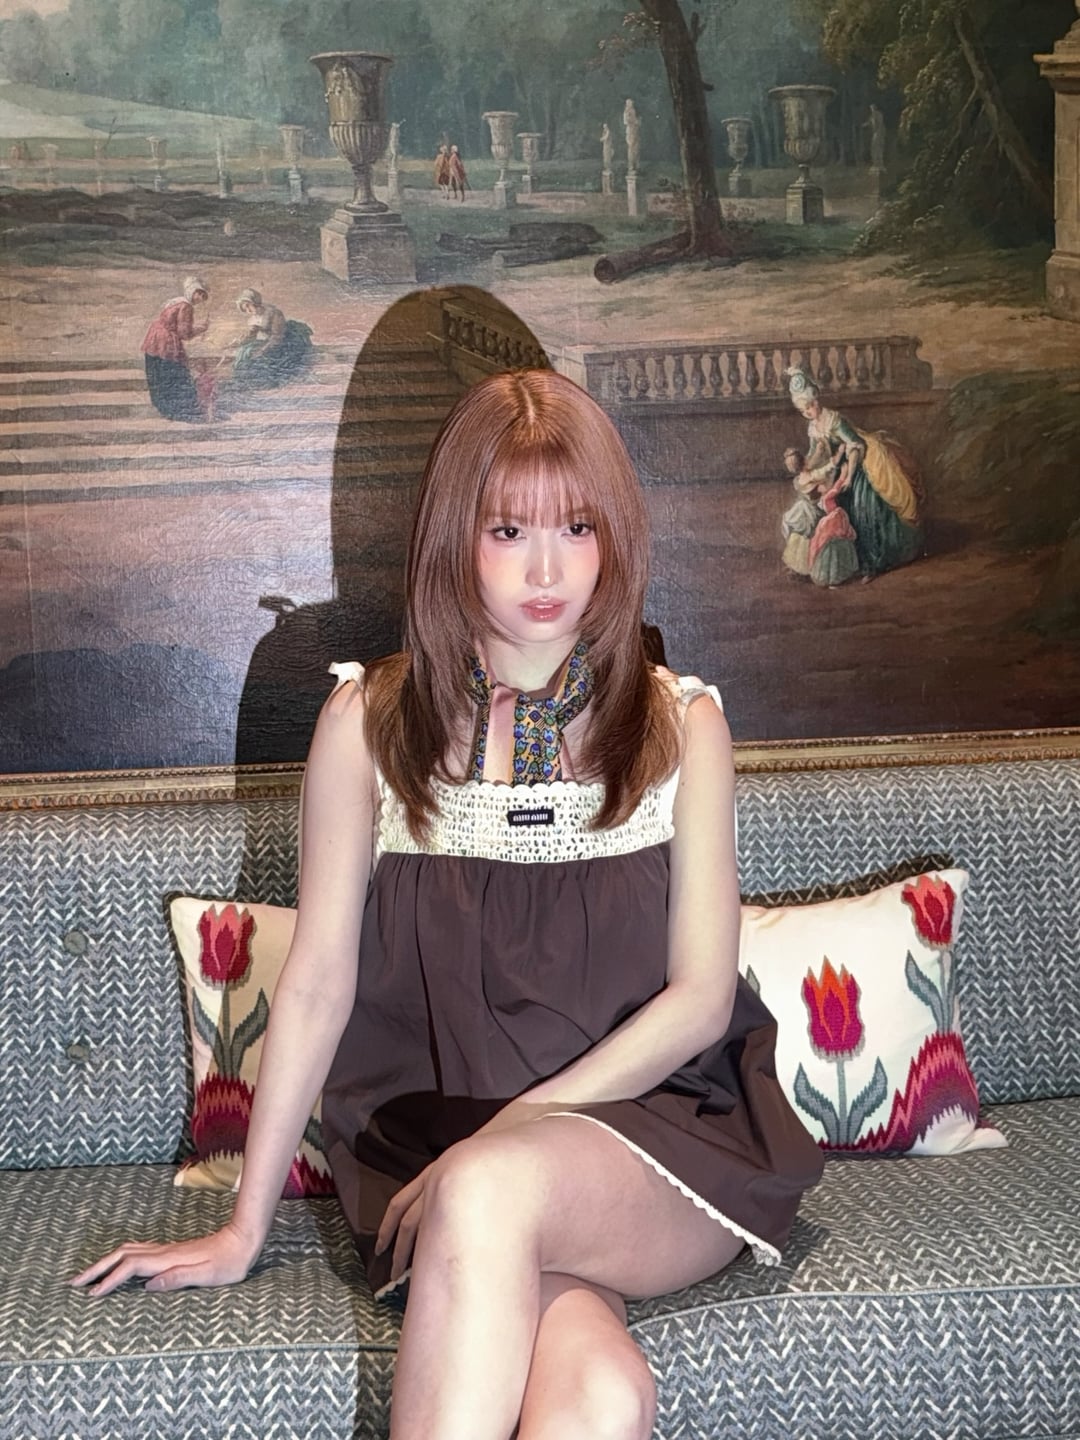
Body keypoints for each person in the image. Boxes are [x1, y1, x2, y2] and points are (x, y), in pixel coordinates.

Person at [71, 369, 824, 1439]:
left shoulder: (681, 726)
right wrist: (244, 1226)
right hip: (431, 1151)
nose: (547, 569)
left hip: (659, 1137)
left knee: (487, 1190)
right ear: (452, 538)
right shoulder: (366, 723)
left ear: (614, 535)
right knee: (599, 1398)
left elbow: (702, 1000)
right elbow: (318, 983)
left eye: (576, 527)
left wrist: (505, 1140)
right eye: (508, 530)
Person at [786, 367, 923, 581]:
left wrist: (849, 476)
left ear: (816, 399)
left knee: (861, 507)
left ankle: (872, 564)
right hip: (837, 464)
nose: (809, 412)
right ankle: (814, 562)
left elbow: (856, 445)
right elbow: (814, 453)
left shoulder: (834, 420)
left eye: (810, 406)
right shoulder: (813, 426)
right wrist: (805, 468)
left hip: (858, 461)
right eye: (804, 410)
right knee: (816, 505)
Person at [781, 445, 859, 587]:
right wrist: (840, 453)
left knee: (798, 534)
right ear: (805, 461)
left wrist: (818, 451)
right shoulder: (813, 475)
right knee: (811, 535)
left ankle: (800, 568)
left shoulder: (798, 480)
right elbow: (830, 466)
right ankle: (810, 567)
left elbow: (812, 461)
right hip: (812, 512)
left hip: (802, 510)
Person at [141, 277, 212, 423]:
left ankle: (165, 409)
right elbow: (184, 333)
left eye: (203, 296)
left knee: (159, 375)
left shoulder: (175, 301)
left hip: (154, 339)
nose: (200, 299)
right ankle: (181, 411)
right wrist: (201, 329)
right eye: (199, 294)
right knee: (176, 375)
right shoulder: (186, 306)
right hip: (166, 343)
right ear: (192, 291)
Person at [225, 288, 313, 392]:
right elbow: (250, 336)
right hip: (267, 342)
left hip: (283, 342)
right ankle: (241, 380)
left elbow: (277, 336)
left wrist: (262, 350)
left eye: (248, 306)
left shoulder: (273, 313)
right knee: (245, 350)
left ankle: (263, 383)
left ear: (255, 302)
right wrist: (236, 343)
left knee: (263, 358)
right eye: (245, 309)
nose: (248, 310)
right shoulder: (253, 318)